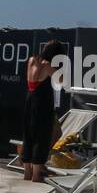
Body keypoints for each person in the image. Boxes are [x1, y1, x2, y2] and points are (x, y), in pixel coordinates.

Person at [21, 39, 65, 183]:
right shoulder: (47, 65)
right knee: (42, 136)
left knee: (28, 134)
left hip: (30, 98)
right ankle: (36, 175)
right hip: (42, 102)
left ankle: (27, 172)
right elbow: (62, 81)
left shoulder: (32, 60)